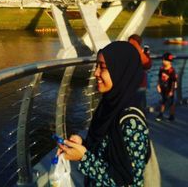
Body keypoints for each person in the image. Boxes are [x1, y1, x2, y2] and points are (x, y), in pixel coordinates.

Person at [58, 41, 152, 186]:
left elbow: (129, 182)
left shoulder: (132, 123)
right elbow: (104, 151)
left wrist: (84, 158)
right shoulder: (108, 106)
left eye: (102, 67)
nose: (95, 73)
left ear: (120, 71)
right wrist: (82, 144)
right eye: (97, 66)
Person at [128, 34, 152, 112]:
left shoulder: (141, 54)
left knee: (139, 107)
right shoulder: (131, 53)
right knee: (136, 107)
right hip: (133, 85)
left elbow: (147, 65)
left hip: (138, 85)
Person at [156, 52, 178, 122]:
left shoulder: (172, 70)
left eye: (167, 60)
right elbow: (159, 78)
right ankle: (161, 114)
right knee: (163, 101)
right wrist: (158, 86)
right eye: (164, 60)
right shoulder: (161, 69)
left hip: (169, 89)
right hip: (163, 89)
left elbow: (174, 81)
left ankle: (171, 115)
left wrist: (172, 91)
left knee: (171, 103)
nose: (164, 61)